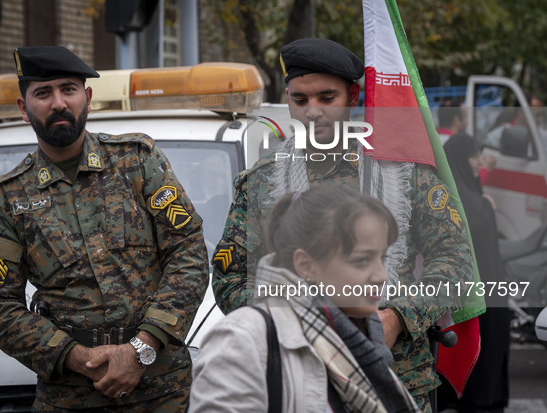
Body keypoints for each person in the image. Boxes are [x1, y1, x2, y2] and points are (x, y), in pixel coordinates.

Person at [211, 38, 473, 412]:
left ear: (353, 97)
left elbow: (455, 261)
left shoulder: (402, 172)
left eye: (326, 98)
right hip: (298, 376)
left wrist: (397, 316)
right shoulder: (262, 181)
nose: (312, 111)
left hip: (396, 376)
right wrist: (293, 318)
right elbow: (230, 276)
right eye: (300, 100)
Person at [0, 46, 209, 412]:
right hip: (69, 395)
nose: (58, 103)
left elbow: (188, 252)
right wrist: (78, 357)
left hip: (162, 387)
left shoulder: (137, 161)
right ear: (23, 108)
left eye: (68, 89)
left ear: (87, 98)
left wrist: (142, 347)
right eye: (42, 93)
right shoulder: (9, 198)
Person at [191, 185, 420, 412]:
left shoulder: (362, 337)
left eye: (382, 258)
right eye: (362, 260)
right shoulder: (242, 340)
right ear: (306, 265)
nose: (382, 276)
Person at [439, 133, 510, 413]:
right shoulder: (467, 202)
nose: (479, 162)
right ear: (458, 159)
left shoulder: (466, 194)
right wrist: (487, 207)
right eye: (474, 156)